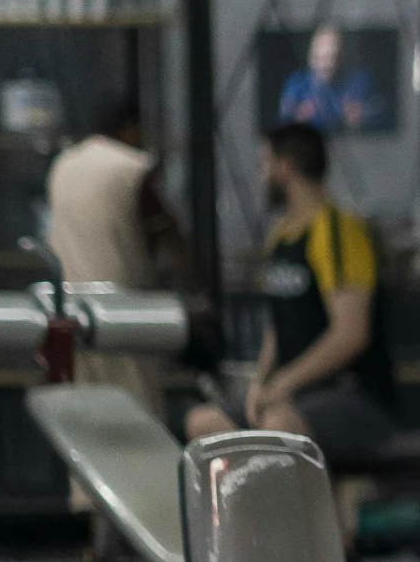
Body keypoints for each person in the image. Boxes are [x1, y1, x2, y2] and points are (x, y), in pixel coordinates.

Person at [185, 123, 394, 465]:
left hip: (355, 396)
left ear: (286, 167)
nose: (261, 175)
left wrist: (284, 383)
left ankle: (299, 518)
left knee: (277, 427)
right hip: (299, 394)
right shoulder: (281, 236)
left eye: (264, 163)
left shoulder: (338, 231)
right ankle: (249, 518)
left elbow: (351, 332)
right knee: (205, 423)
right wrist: (260, 381)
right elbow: (280, 325)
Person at [45, 92, 193, 418]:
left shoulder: (63, 165)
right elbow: (165, 233)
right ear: (130, 128)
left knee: (84, 417)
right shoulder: (131, 167)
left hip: (67, 308)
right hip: (123, 313)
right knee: (137, 412)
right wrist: (192, 292)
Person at [278, 25, 381, 134]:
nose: (326, 65)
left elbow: (381, 112)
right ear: (311, 58)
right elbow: (283, 119)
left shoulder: (360, 80)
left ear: (342, 56)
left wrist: (363, 114)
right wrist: (298, 119)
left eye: (332, 57)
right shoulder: (296, 83)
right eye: (320, 58)